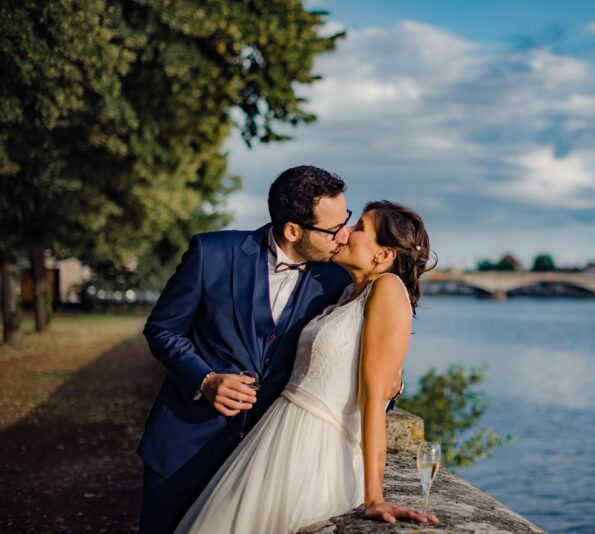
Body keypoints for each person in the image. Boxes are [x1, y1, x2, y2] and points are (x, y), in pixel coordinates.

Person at [174, 200, 439, 533]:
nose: (345, 232)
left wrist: (374, 498)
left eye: (359, 229)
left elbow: (373, 401)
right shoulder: (345, 292)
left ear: (383, 255)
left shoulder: (387, 289)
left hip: (318, 449)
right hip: (277, 435)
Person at [138, 165, 357, 533]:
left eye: (345, 220)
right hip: (183, 445)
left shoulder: (337, 279)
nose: (344, 235)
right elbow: (162, 329)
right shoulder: (212, 252)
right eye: (334, 229)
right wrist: (204, 379)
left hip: (263, 462)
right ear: (292, 230)